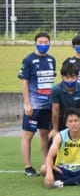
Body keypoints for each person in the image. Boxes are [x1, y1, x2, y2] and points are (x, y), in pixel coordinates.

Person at [19, 32, 57, 176]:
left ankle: (46, 163)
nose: (43, 45)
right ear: (35, 43)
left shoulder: (51, 60)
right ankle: (28, 167)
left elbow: (51, 81)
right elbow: (24, 82)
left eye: (45, 42)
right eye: (40, 42)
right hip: (34, 105)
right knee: (28, 135)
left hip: (48, 105)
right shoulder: (28, 60)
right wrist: (27, 104)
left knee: (45, 135)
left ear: (49, 43)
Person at [41, 108, 80, 188]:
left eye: (76, 121)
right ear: (66, 124)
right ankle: (79, 181)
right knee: (44, 168)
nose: (73, 124)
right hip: (63, 169)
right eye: (70, 121)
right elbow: (50, 156)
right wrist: (49, 172)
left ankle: (63, 183)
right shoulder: (60, 136)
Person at [49, 64, 80, 140]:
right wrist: (55, 129)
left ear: (77, 77)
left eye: (73, 77)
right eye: (67, 77)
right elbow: (55, 110)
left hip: (77, 120)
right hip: (61, 120)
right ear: (62, 77)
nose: (70, 80)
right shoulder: (56, 89)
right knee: (53, 139)